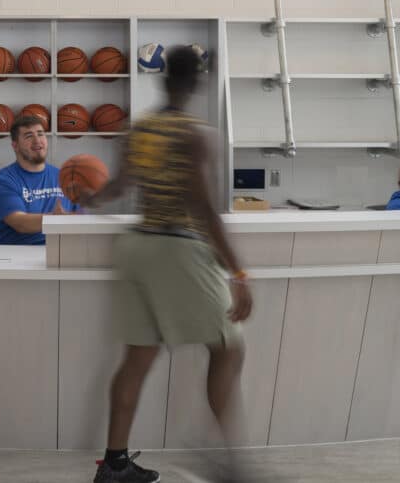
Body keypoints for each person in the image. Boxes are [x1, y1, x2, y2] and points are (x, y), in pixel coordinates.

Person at [81, 46, 253, 483]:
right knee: (229, 345)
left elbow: (119, 185)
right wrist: (239, 272)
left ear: (162, 79)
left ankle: (114, 464)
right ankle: (230, 465)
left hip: (136, 248)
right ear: (197, 82)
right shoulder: (196, 133)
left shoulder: (140, 128)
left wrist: (88, 198)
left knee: (136, 358)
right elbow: (203, 208)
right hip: (178, 248)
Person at [0, 115, 75, 245]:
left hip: (59, 251)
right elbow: (21, 223)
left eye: (40, 134)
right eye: (28, 136)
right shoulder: (2, 180)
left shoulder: (64, 177)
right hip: (13, 255)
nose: (37, 140)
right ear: (15, 146)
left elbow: (80, 217)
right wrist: (55, 219)